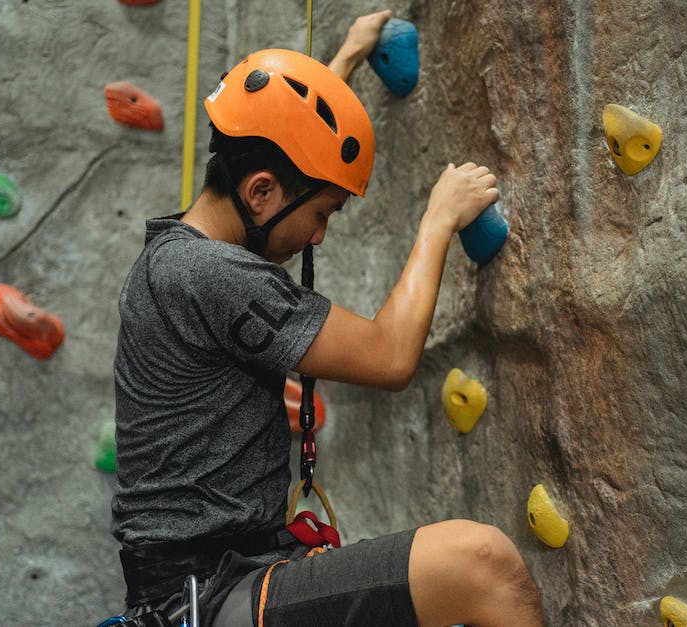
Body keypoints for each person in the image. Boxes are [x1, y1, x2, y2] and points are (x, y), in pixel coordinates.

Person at [108, 10, 545, 627]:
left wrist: (341, 63)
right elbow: (390, 356)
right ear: (260, 193)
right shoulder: (213, 277)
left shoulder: (173, 256)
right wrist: (439, 218)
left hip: (200, 582)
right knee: (484, 564)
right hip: (207, 592)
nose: (318, 235)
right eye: (325, 215)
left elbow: (283, 154)